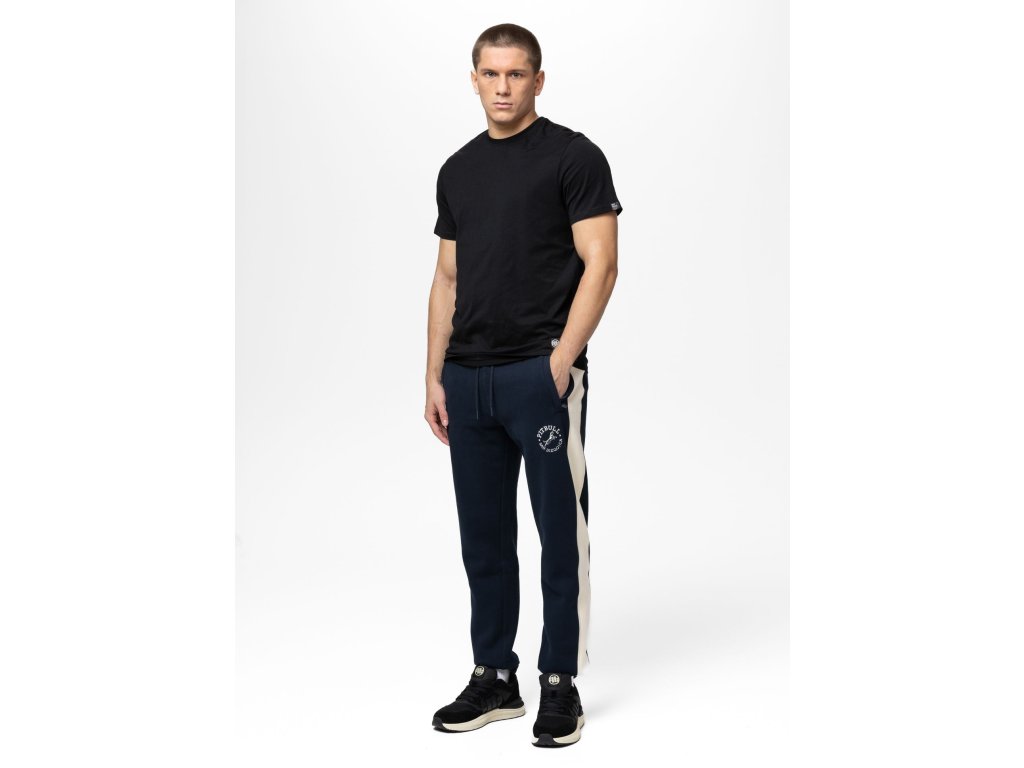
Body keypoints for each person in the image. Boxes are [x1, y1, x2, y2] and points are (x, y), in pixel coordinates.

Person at [423, 22, 623, 748]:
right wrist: (434, 374)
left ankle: (559, 681)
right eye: (490, 74)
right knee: (484, 539)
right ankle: (495, 677)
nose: (502, 87)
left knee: (559, 535)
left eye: (516, 74)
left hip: (537, 376)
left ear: (538, 80)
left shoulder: (573, 157)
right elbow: (447, 278)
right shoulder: (458, 169)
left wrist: (560, 361)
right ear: (474, 79)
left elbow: (601, 263)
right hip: (468, 379)